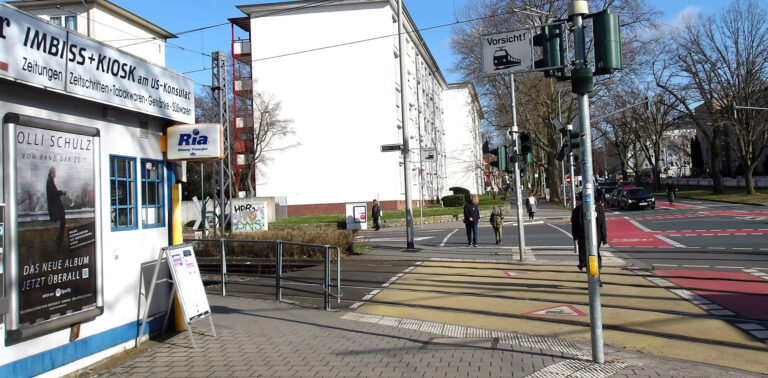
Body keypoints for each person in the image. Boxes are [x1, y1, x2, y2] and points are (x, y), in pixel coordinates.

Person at [571, 194, 607, 284]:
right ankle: (596, 276)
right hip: (596, 237)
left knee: (587, 256)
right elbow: (603, 225)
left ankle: (591, 276)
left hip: (583, 237)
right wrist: (604, 238)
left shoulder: (577, 210)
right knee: (595, 254)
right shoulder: (599, 209)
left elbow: (574, 226)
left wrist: (575, 236)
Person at [46, 167, 67, 251]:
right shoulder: (50, 181)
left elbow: (53, 193)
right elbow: (53, 193)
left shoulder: (50, 180)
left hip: (55, 206)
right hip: (55, 207)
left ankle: (60, 239)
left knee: (63, 220)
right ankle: (59, 240)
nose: (55, 174)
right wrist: (61, 192)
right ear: (52, 173)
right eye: (55, 173)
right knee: (63, 220)